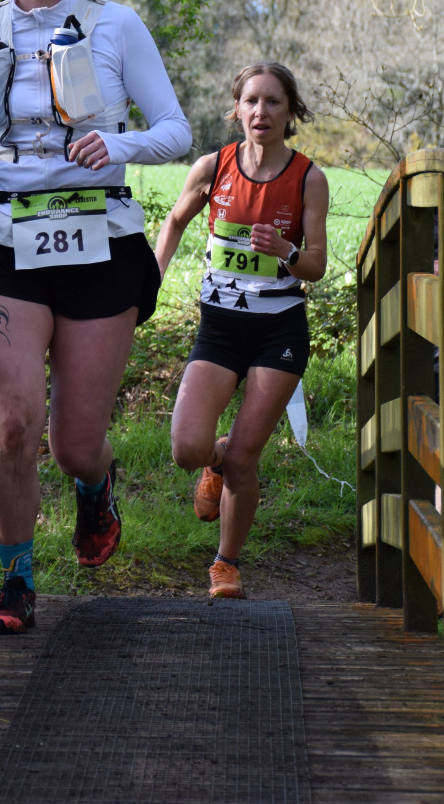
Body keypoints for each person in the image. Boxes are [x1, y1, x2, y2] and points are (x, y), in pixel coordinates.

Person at [0, 0, 191, 633]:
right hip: (8, 242)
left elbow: (175, 130)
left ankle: (94, 485)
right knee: (12, 425)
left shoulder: (116, 25)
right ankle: (16, 584)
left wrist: (116, 144)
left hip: (98, 243)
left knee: (75, 444)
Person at [154, 62, 328, 599]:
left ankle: (225, 563)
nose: (261, 112)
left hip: (279, 331)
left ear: (290, 111)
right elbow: (175, 222)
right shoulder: (214, 167)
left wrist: (287, 251)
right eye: (251, 101)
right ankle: (214, 458)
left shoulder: (308, 178)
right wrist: (150, 280)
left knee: (244, 460)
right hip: (221, 328)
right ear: (236, 109)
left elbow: (316, 265)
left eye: (273, 101)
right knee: (188, 448)